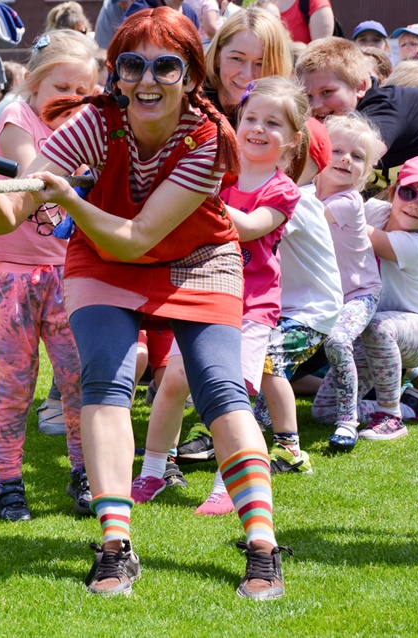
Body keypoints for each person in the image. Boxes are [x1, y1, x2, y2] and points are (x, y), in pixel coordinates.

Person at [0, 7, 290, 600]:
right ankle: (114, 545)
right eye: (132, 65)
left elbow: (134, 236)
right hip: (103, 262)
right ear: (115, 72)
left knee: (219, 388)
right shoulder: (87, 125)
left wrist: (69, 202)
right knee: (106, 376)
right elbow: (11, 216)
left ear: (191, 75)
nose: (147, 80)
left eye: (165, 66)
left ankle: (262, 544)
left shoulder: (210, 139)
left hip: (197, 260)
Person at [136, 76, 304, 510]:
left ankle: (228, 484)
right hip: (205, 293)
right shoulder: (218, 168)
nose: (258, 128)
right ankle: (153, 471)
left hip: (252, 308)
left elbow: (247, 227)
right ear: (236, 120)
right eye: (251, 118)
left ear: (292, 140)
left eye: (273, 123)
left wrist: (197, 194)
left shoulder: (282, 191)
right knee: (173, 382)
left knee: (234, 394)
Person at [0, 29, 98, 522]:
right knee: (13, 386)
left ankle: (83, 472)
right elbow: (33, 169)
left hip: (70, 274)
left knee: (78, 382)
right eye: (61, 89)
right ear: (33, 85)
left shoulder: (89, 125)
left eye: (82, 91)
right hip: (12, 276)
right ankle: (8, 482)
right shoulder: (16, 116)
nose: (72, 99)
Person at [253, 116, 343, 473]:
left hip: (311, 313)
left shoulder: (297, 200)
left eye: (292, 155)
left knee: (268, 361)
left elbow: (251, 227)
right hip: (285, 308)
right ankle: (226, 431)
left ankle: (290, 450)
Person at [352, 156, 418, 439]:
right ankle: (413, 406)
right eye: (409, 192)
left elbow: (350, 228)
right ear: (393, 190)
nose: (414, 204)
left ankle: (390, 416)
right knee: (325, 411)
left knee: (379, 326)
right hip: (377, 336)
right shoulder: (375, 211)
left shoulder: (415, 244)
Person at [308, 113, 385, 451]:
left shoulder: (348, 201)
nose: (345, 160)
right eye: (337, 150)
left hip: (358, 295)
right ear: (320, 151)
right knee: (276, 348)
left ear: (365, 173)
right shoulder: (306, 190)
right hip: (322, 296)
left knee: (337, 341)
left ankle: (347, 422)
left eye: (357, 157)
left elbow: (300, 217)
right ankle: (260, 414)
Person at [296, 37, 418, 170]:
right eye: (308, 96)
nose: (316, 105)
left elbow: (358, 157)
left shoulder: (383, 108)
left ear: (360, 87)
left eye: (327, 92)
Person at [203, 7, 293, 125]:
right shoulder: (189, 103)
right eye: (237, 58)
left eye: (260, 64)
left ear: (276, 67)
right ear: (217, 57)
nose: (247, 75)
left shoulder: (285, 117)